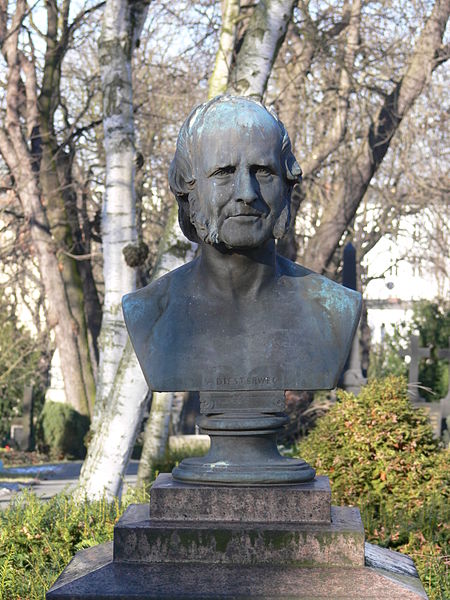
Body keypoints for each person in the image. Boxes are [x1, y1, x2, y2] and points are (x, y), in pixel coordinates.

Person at [123, 95, 361, 393]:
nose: (247, 193)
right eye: (223, 173)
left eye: (263, 171)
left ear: (287, 186)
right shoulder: (149, 313)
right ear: (189, 191)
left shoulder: (332, 311)